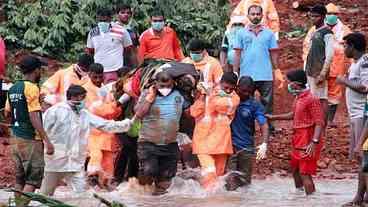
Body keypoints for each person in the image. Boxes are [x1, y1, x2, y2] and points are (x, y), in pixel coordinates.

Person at [40, 85, 132, 196]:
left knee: (82, 195)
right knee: (45, 194)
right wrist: (47, 146)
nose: (84, 101)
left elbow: (105, 125)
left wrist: (128, 123)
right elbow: (41, 130)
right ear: (74, 97)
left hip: (75, 163)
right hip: (56, 161)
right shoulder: (55, 111)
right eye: (82, 97)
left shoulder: (84, 114)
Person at [4, 55, 54, 206]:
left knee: (20, 179)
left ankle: (16, 205)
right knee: (32, 178)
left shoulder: (13, 88)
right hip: (31, 139)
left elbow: (7, 113)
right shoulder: (32, 88)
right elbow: (33, 116)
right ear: (37, 70)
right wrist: (47, 140)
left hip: (15, 138)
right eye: (40, 70)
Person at [267, 69, 324, 195]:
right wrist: (274, 117)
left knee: (305, 173)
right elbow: (293, 114)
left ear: (296, 84)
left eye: (289, 82)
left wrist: (314, 142)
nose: (287, 84)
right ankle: (299, 197)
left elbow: (319, 122)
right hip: (298, 138)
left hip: (308, 138)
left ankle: (311, 201)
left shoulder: (311, 99)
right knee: (295, 170)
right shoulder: (299, 97)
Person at [134, 71, 187, 195]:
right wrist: (149, 99)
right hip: (148, 144)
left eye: (168, 86)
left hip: (170, 144)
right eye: (161, 86)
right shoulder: (147, 94)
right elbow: (138, 114)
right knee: (148, 171)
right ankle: (140, 198)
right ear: (155, 84)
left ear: (173, 83)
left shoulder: (179, 95)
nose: (165, 89)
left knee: (166, 181)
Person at [233, 4, 284, 132]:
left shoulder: (269, 34)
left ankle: (268, 128)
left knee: (267, 103)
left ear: (262, 15)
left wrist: (276, 70)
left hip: (265, 73)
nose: (255, 16)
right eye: (253, 14)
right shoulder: (241, 33)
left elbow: (273, 53)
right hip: (246, 75)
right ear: (248, 15)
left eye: (258, 14)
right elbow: (237, 53)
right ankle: (247, 127)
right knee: (245, 102)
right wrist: (235, 71)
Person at [191, 72, 240, 189]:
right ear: (220, 83)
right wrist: (202, 96)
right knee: (209, 173)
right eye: (225, 87)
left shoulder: (234, 98)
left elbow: (222, 107)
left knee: (218, 177)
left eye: (231, 88)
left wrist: (210, 95)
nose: (228, 90)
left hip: (222, 143)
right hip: (202, 141)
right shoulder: (207, 92)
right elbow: (194, 112)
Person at [336, 32, 368, 207]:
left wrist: (344, 81)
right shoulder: (356, 63)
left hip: (362, 115)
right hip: (356, 115)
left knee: (363, 157)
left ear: (353, 47)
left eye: (345, 45)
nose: (344, 49)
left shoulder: (364, 62)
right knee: (360, 158)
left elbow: (365, 88)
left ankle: (359, 198)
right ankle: (361, 197)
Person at [226, 76, 269, 191]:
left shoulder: (254, 105)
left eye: (249, 91)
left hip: (246, 149)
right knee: (230, 181)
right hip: (229, 147)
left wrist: (264, 143)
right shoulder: (227, 99)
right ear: (237, 87)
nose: (245, 93)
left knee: (245, 184)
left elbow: (263, 124)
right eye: (243, 90)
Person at [82, 63, 122, 187]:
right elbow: (100, 110)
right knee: (95, 158)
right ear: (89, 75)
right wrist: (116, 105)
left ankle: (107, 187)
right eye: (95, 77)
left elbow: (114, 112)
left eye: (100, 77)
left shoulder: (105, 89)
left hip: (107, 134)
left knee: (108, 163)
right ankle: (92, 185)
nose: (98, 80)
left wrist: (113, 108)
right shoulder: (86, 90)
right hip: (93, 133)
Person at [303, 5, 334, 125]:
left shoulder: (327, 32)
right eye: (312, 16)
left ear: (323, 17)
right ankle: (315, 123)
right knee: (314, 97)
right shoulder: (315, 31)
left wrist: (323, 73)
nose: (313, 19)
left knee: (321, 98)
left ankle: (322, 125)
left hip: (319, 71)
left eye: (316, 16)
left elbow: (330, 54)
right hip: (311, 70)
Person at [86, 8, 133, 84]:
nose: (103, 23)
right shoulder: (93, 32)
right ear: (97, 19)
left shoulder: (121, 30)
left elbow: (128, 49)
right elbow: (90, 51)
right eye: (101, 21)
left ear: (110, 19)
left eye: (105, 21)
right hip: (99, 72)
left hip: (116, 70)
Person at [324, 3, 352, 126]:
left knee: (335, 95)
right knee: (319, 94)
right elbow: (307, 47)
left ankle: (330, 120)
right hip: (321, 68)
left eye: (334, 14)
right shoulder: (316, 28)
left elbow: (353, 48)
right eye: (329, 13)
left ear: (338, 15)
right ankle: (320, 119)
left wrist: (351, 66)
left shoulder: (345, 30)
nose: (331, 16)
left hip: (338, 68)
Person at [116, 3, 139, 69]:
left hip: (131, 65)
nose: (126, 15)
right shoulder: (113, 29)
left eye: (128, 13)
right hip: (117, 64)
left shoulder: (132, 31)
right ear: (117, 15)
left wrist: (137, 66)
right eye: (122, 12)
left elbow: (135, 49)